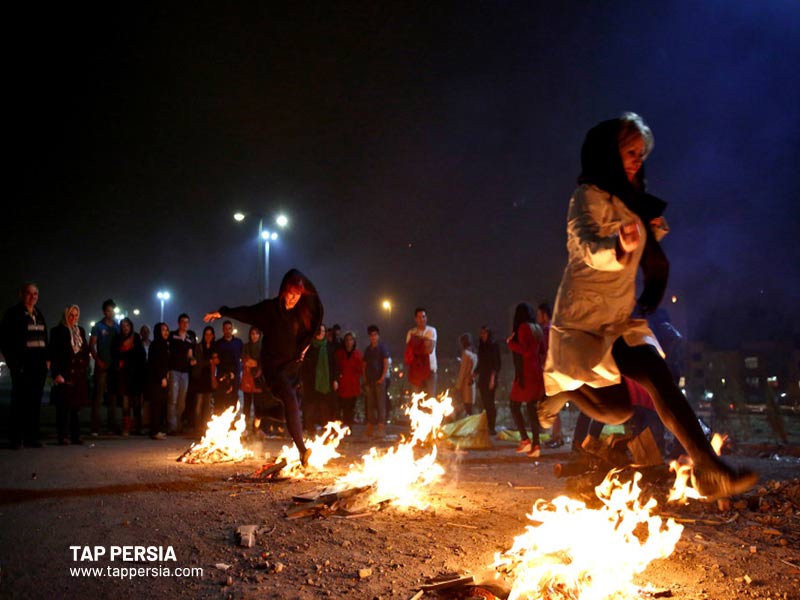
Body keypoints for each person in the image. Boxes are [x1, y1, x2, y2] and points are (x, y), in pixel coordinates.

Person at [540, 112, 757, 499]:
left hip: (620, 319)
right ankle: (565, 392)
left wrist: (650, 235)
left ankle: (708, 469)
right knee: (617, 410)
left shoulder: (632, 200)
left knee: (657, 377)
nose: (638, 160)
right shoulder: (585, 196)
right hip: (584, 320)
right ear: (609, 152)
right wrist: (618, 246)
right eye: (630, 152)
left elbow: (647, 255)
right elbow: (583, 248)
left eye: (641, 153)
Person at [205, 269, 323, 466]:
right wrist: (223, 312)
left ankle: (263, 413)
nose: (294, 299)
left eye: (298, 295)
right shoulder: (269, 310)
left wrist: (305, 346)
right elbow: (247, 312)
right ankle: (302, 451)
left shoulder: (301, 311)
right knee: (290, 400)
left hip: (292, 367)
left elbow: (315, 311)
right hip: (273, 368)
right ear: (284, 291)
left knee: (291, 407)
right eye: (291, 293)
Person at [0, 283, 49, 448]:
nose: (32, 296)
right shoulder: (13, 314)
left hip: (39, 366)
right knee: (19, 402)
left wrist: (47, 361)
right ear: (21, 294)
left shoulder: (39, 313)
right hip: (23, 365)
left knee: (35, 403)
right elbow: (4, 340)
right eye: (29, 293)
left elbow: (44, 337)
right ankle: (15, 438)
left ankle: (31, 437)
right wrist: (13, 363)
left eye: (35, 293)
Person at [49, 305, 90, 445]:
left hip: (78, 374)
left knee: (76, 408)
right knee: (63, 407)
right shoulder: (57, 331)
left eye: (76, 315)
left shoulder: (80, 331)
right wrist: (56, 373)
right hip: (64, 373)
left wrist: (84, 366)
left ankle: (75, 435)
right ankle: (62, 436)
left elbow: (85, 351)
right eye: (71, 315)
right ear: (66, 315)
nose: (73, 318)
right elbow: (53, 354)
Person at [508, 302, 544, 458]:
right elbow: (540, 350)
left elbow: (525, 350)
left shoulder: (523, 327)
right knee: (531, 408)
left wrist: (510, 344)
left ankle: (525, 440)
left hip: (526, 372)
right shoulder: (537, 328)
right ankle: (535, 445)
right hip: (536, 371)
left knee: (514, 405)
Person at [89, 299, 120, 435]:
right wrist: (98, 360)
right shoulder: (98, 326)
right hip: (101, 366)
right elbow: (91, 345)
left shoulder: (117, 327)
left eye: (112, 310)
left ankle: (111, 427)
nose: (111, 313)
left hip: (114, 368)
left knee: (112, 398)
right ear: (104, 312)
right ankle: (95, 428)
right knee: (98, 397)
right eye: (108, 310)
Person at [299, 324, 338, 433]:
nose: (322, 333)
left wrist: (335, 379)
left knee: (325, 408)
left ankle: (326, 432)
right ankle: (310, 430)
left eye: (323, 331)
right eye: (319, 331)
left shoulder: (329, 347)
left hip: (325, 383)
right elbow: (304, 365)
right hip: (311, 382)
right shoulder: (310, 347)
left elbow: (334, 364)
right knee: (310, 407)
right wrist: (302, 380)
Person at [537, 303, 563, 448]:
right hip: (556, 371)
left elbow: (545, 352)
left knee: (553, 405)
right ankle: (556, 436)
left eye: (539, 314)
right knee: (554, 405)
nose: (538, 317)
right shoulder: (555, 329)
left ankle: (557, 437)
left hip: (550, 372)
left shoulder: (547, 331)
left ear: (545, 315)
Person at [166, 313, 197, 434]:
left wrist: (192, 359)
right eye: (183, 322)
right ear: (179, 323)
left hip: (185, 372)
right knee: (172, 398)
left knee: (181, 400)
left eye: (187, 322)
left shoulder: (189, 338)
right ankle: (171, 426)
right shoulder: (172, 336)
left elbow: (190, 354)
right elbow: (167, 352)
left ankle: (178, 424)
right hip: (174, 370)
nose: (185, 324)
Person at [116, 318, 146, 436]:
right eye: (123, 326)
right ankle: (126, 428)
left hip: (136, 375)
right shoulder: (118, 339)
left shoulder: (136, 338)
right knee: (126, 403)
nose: (125, 328)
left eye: (127, 325)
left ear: (131, 326)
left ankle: (139, 427)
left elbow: (141, 355)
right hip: (124, 376)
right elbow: (116, 354)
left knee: (138, 404)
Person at [362, 324, 389, 437]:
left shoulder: (382, 348)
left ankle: (381, 428)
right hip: (370, 381)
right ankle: (370, 428)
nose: (373, 337)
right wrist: (365, 378)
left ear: (378, 336)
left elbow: (386, 363)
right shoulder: (368, 350)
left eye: (375, 335)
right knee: (370, 405)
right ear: (369, 337)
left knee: (381, 404)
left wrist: (382, 378)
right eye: (371, 335)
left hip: (379, 381)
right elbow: (364, 364)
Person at [404, 307, 438, 397]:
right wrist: (423, 341)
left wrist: (417, 341)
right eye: (419, 317)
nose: (422, 319)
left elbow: (429, 349)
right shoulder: (411, 332)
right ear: (415, 319)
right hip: (416, 371)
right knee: (416, 400)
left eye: (423, 316)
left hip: (430, 369)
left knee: (431, 401)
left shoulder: (431, 330)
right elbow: (409, 350)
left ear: (426, 318)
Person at [145, 323, 170, 440]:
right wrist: (162, 377)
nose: (166, 332)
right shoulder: (157, 345)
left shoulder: (164, 344)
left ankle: (157, 429)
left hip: (161, 378)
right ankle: (154, 431)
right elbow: (156, 363)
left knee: (160, 405)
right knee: (156, 405)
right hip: (156, 380)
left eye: (167, 330)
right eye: (163, 330)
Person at [477, 325, 502, 435]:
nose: (482, 335)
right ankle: (487, 425)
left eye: (484, 333)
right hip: (482, 378)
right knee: (485, 403)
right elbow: (481, 363)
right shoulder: (481, 346)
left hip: (490, 378)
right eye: (481, 333)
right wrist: (474, 373)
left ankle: (492, 427)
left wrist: (492, 379)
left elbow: (496, 364)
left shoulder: (493, 346)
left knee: (490, 403)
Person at [335, 331, 363, 429]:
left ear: (354, 341)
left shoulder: (358, 354)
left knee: (350, 408)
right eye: (347, 340)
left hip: (353, 385)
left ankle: (349, 428)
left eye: (351, 340)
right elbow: (336, 368)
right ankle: (340, 428)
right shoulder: (339, 353)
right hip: (342, 385)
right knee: (341, 407)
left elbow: (361, 369)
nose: (348, 342)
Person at [193, 326, 219, 428]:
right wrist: (209, 362)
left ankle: (206, 428)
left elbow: (217, 362)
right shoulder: (199, 347)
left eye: (210, 334)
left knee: (208, 406)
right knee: (198, 406)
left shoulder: (215, 347)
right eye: (206, 334)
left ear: (213, 336)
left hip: (210, 379)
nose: (208, 336)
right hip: (200, 378)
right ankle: (197, 428)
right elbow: (198, 362)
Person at [216, 320, 243, 414]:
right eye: (225, 329)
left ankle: (233, 424)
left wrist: (236, 374)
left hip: (235, 376)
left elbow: (241, 358)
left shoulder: (238, 342)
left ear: (232, 329)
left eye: (229, 328)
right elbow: (217, 361)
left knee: (234, 399)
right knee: (221, 400)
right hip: (222, 376)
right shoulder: (218, 343)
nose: (227, 330)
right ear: (223, 330)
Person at [241, 326, 265, 432]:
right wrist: (255, 362)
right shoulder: (246, 346)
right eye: (252, 334)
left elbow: (264, 362)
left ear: (259, 335)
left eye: (256, 334)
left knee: (258, 406)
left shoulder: (263, 347)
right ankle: (245, 427)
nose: (254, 336)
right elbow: (245, 361)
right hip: (247, 379)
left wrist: (256, 363)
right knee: (246, 405)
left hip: (259, 380)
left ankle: (256, 428)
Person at [455, 333, 478, 418]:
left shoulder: (465, 353)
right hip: (472, 382)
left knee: (467, 407)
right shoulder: (474, 353)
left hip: (466, 383)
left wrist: (458, 386)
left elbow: (463, 371)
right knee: (470, 406)